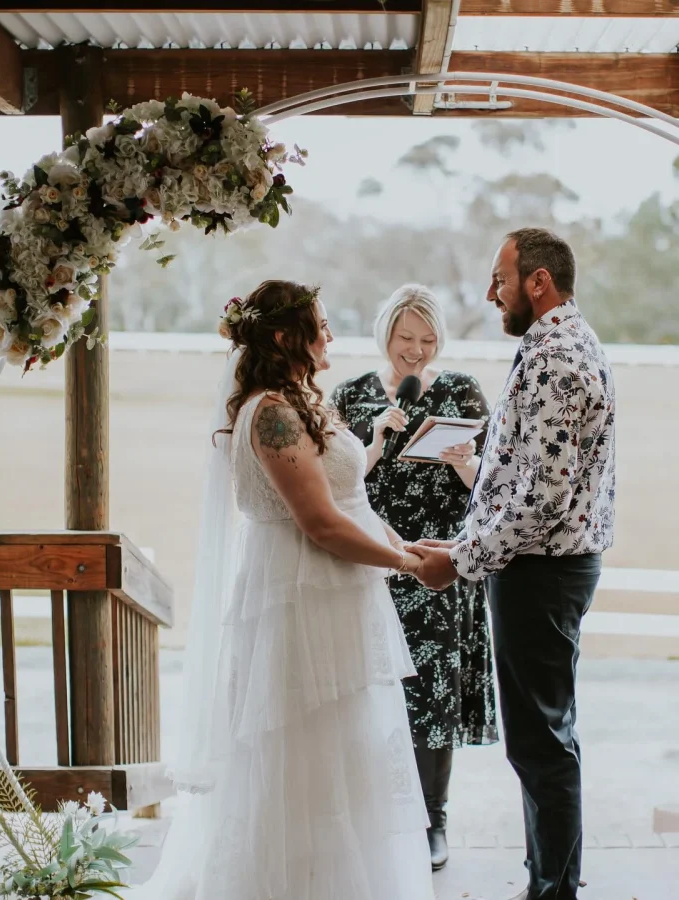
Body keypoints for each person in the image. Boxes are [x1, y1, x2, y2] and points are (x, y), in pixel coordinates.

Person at [134, 280, 434, 900]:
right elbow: (321, 524)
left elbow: (351, 501)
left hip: (339, 601)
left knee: (343, 757)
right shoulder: (270, 413)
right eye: (319, 324)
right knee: (300, 754)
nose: (329, 335)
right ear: (281, 337)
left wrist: (406, 546)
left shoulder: (301, 403)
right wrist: (407, 569)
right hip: (299, 603)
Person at [409, 230, 617, 900]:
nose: (489, 292)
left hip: (541, 573)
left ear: (538, 282)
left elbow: (545, 496)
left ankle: (552, 892)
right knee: (545, 740)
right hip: (541, 568)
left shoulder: (555, 356)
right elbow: (524, 477)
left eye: (500, 278)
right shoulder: (561, 344)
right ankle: (549, 881)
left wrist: (461, 560)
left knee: (541, 746)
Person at [330, 284, 498, 871]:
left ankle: (434, 819)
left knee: (433, 695)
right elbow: (334, 487)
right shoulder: (349, 396)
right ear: (386, 335)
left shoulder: (461, 392)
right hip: (371, 558)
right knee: (369, 690)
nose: (416, 351)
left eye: (428, 341)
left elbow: (494, 489)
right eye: (406, 338)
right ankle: (375, 814)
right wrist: (375, 441)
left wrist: (466, 464)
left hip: (438, 565)